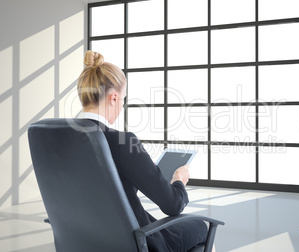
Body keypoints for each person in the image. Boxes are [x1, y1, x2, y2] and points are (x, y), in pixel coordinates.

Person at [76, 50, 210, 252]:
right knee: (203, 227)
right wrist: (178, 182)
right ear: (113, 98)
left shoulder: (57, 139)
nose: (121, 106)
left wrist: (139, 171)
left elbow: (99, 186)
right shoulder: (122, 142)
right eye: (123, 99)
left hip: (84, 240)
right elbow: (172, 206)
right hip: (138, 242)